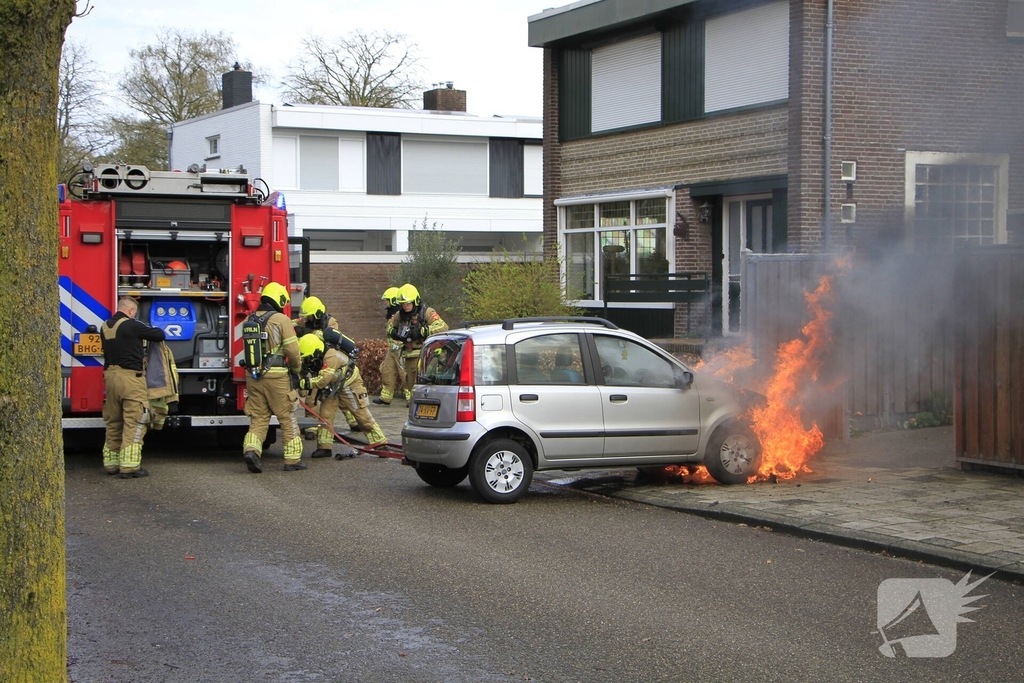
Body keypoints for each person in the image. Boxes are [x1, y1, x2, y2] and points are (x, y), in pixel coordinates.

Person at [241, 281, 304, 473]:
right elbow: (293, 351)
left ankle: (252, 450)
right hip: (277, 378)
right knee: (287, 417)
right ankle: (292, 460)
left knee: (259, 418)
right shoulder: (281, 320)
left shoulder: (249, 320)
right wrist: (296, 369)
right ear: (280, 299)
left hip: (254, 377)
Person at [100, 296, 166, 478]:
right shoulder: (132, 325)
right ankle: (130, 466)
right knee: (135, 419)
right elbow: (159, 335)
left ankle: (111, 464)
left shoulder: (105, 326)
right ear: (130, 311)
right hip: (130, 379)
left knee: (113, 421)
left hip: (110, 378)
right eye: (133, 313)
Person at [297, 335, 387, 456]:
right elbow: (304, 370)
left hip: (349, 385)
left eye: (309, 357)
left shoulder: (331, 356)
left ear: (317, 351)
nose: (308, 360)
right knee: (325, 415)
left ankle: (381, 445)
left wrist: (304, 383)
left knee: (361, 416)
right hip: (333, 387)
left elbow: (323, 379)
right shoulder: (315, 356)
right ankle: (325, 447)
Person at [293, 295, 360, 432]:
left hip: (330, 364)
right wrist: (297, 328)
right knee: (311, 398)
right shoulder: (305, 321)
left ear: (317, 314)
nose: (307, 320)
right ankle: (311, 427)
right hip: (314, 364)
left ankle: (354, 422)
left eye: (310, 317)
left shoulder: (331, 322)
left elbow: (325, 339)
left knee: (338, 395)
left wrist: (306, 332)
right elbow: (292, 324)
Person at [386, 283, 448, 402]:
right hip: (409, 355)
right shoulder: (399, 315)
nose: (405, 306)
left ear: (416, 301)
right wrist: (394, 332)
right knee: (411, 385)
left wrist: (422, 331)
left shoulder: (427, 312)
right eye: (403, 304)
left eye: (408, 303)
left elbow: (443, 327)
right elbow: (389, 328)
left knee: (426, 384)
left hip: (426, 355)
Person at [373, 286, 407, 406]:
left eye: (387, 300)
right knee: (387, 371)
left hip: (399, 349)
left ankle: (410, 397)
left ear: (394, 301)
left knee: (404, 373)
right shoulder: (391, 315)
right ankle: (386, 397)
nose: (386, 303)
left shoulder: (401, 316)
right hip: (392, 350)